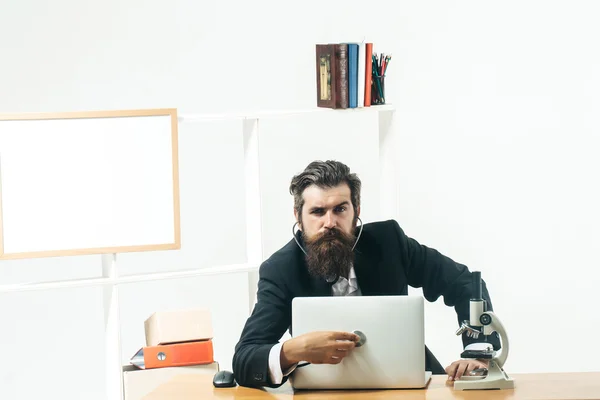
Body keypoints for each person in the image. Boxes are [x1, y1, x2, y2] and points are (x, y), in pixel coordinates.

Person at [232, 160, 501, 388]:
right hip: (324, 394)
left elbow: (464, 283)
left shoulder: (389, 241)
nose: (330, 223)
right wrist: (293, 351)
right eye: (317, 212)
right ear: (298, 217)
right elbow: (245, 358)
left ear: (356, 211)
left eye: (340, 209)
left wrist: (478, 354)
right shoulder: (280, 269)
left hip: (409, 387)